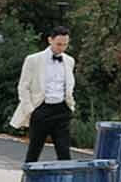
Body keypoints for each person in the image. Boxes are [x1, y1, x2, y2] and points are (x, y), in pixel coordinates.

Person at [12, 26, 76, 168]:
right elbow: (23, 87)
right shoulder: (33, 60)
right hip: (41, 109)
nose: (62, 48)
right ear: (50, 40)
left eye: (65, 44)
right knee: (34, 151)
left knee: (64, 153)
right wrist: (31, 110)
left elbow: (68, 86)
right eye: (59, 44)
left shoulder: (69, 61)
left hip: (62, 110)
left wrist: (70, 107)